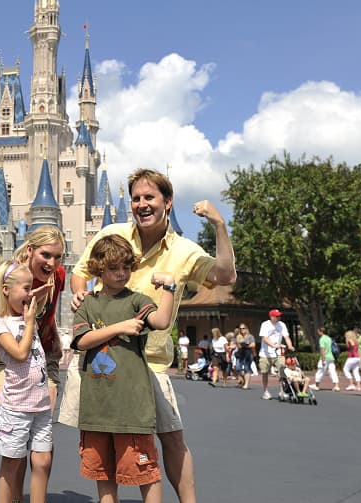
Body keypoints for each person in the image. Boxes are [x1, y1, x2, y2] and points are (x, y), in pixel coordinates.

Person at [67, 168, 236, 503]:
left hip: (152, 363)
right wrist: (79, 294)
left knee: (171, 438)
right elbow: (80, 272)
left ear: (167, 202)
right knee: (104, 440)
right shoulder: (113, 233)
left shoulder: (185, 250)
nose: (142, 204)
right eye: (136, 198)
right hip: (104, 361)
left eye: (150, 198)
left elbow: (225, 275)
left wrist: (219, 225)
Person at [72, 234, 178, 503]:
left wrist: (169, 287)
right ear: (99, 268)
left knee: (146, 470)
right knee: (102, 473)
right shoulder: (88, 303)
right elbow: (82, 341)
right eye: (113, 268)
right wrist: (120, 327)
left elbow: (163, 320)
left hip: (132, 407)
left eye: (126, 267)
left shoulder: (137, 301)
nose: (121, 274)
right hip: (97, 407)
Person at [0, 226, 66, 496]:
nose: (52, 263)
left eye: (58, 257)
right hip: (10, 367)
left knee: (43, 451)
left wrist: (52, 332)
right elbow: (4, 338)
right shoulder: (13, 275)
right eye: (46, 254)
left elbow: (50, 312)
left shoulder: (59, 276)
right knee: (15, 456)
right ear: (30, 250)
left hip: (42, 362)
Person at [258, 309, 295, 400]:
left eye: (279, 316)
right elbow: (264, 338)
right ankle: (265, 391)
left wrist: (290, 346)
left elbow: (286, 336)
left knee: (282, 371)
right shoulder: (265, 324)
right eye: (277, 316)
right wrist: (273, 345)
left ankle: (282, 390)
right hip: (265, 353)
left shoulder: (282, 325)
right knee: (264, 372)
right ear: (271, 317)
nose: (279, 317)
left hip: (278, 353)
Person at [311, 326, 340, 392]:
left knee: (320, 371)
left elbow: (322, 349)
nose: (317, 332)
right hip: (331, 357)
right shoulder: (329, 338)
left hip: (325, 357)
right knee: (333, 372)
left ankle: (316, 385)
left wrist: (323, 359)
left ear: (321, 332)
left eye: (318, 331)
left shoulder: (322, 339)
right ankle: (336, 386)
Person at [234, 324, 255, 389]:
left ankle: (246, 384)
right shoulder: (238, 336)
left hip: (248, 353)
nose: (242, 330)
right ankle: (243, 380)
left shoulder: (250, 336)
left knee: (247, 368)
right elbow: (238, 345)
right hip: (240, 353)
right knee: (237, 368)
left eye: (243, 328)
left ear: (246, 329)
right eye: (240, 328)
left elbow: (253, 345)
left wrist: (246, 345)